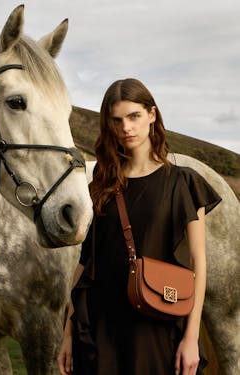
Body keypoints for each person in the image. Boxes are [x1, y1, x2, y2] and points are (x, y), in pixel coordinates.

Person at [58, 78, 221, 375]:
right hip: (101, 327)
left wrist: (191, 337)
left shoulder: (183, 183)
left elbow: (198, 262)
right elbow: (84, 263)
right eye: (117, 120)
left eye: (134, 116)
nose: (126, 128)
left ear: (152, 115)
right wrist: (69, 332)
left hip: (156, 327)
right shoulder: (101, 186)